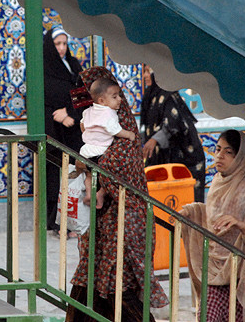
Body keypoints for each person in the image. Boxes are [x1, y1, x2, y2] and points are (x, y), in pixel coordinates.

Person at [66, 66, 169, 322]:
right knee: (92, 279)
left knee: (117, 282)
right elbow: (83, 125)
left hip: (123, 219)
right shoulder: (97, 119)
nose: (84, 99)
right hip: (102, 223)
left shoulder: (121, 128)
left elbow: (118, 164)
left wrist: (88, 165)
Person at [179, 129, 245, 322]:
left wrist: (242, 227)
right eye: (218, 149)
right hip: (214, 271)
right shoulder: (218, 183)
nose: (219, 156)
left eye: (228, 152)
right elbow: (214, 218)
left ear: (241, 158)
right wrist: (193, 212)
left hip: (239, 275)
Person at [140, 65, 206, 202]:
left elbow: (173, 123)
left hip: (185, 159)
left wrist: (154, 140)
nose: (145, 76)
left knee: (186, 204)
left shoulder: (168, 96)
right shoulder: (150, 96)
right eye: (144, 72)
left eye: (147, 71)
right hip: (166, 158)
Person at [43, 25, 84, 235]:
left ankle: (73, 222)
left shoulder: (74, 65)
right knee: (55, 177)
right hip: (54, 132)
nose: (61, 48)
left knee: (74, 176)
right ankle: (56, 223)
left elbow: (83, 95)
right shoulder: (42, 68)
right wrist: (56, 116)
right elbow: (40, 100)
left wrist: (70, 114)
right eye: (57, 44)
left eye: (64, 43)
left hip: (73, 131)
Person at [78, 76, 135, 209]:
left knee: (88, 175)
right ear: (102, 101)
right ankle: (101, 193)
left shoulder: (88, 111)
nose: (120, 99)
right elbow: (116, 131)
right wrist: (129, 134)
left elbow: (82, 126)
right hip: (101, 152)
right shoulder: (109, 113)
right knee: (112, 174)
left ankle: (88, 194)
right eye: (115, 97)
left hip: (85, 151)